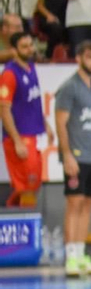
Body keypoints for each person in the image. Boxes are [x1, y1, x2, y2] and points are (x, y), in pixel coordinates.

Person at [55, 41, 91, 277]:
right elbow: (60, 122)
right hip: (77, 156)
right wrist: (66, 155)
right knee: (74, 203)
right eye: (90, 57)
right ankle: (70, 257)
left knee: (88, 204)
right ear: (79, 58)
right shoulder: (70, 88)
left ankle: (80, 254)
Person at [0, 33, 48, 209]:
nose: (30, 49)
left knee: (33, 186)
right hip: (20, 137)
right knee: (27, 186)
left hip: (34, 133)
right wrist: (17, 140)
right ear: (14, 50)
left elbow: (33, 101)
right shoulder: (9, 74)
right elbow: (4, 110)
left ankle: (13, 218)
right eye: (25, 47)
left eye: (31, 45)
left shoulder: (31, 67)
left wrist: (45, 124)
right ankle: (22, 223)